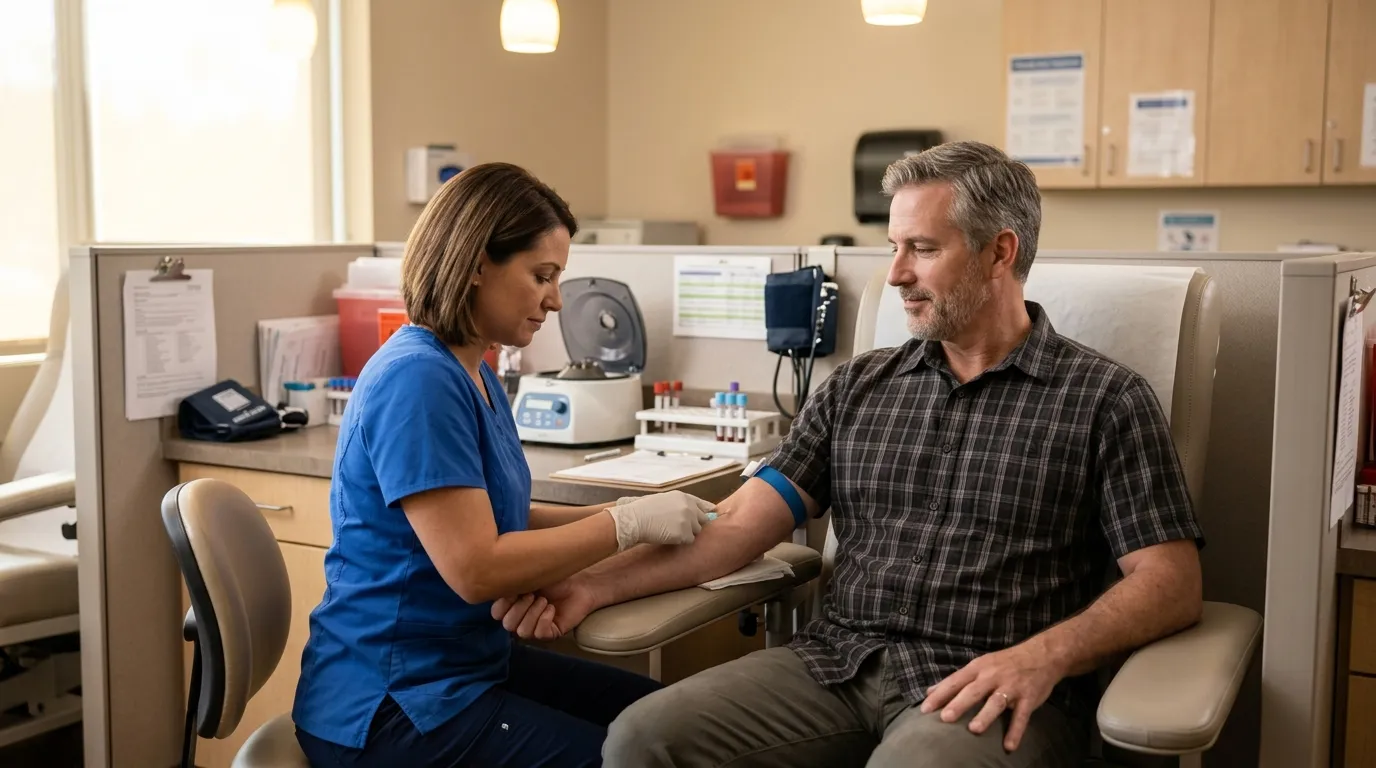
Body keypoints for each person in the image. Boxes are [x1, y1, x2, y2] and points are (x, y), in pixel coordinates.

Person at [494, 141, 1206, 767]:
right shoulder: (861, 385)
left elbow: (1170, 582)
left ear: (1000, 251)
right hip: (837, 664)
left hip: (989, 681)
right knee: (643, 739)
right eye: (893, 247)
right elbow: (737, 529)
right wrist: (593, 586)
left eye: (922, 249)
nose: (894, 274)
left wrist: (1043, 658)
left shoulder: (1104, 401)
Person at [292, 162, 716, 768]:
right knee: (637, 758)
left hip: (464, 668)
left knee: (666, 724)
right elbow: (476, 567)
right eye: (541, 275)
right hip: (393, 705)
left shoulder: (474, 371)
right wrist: (624, 527)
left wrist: (616, 511)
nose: (557, 299)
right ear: (474, 264)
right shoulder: (418, 378)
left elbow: (497, 517)